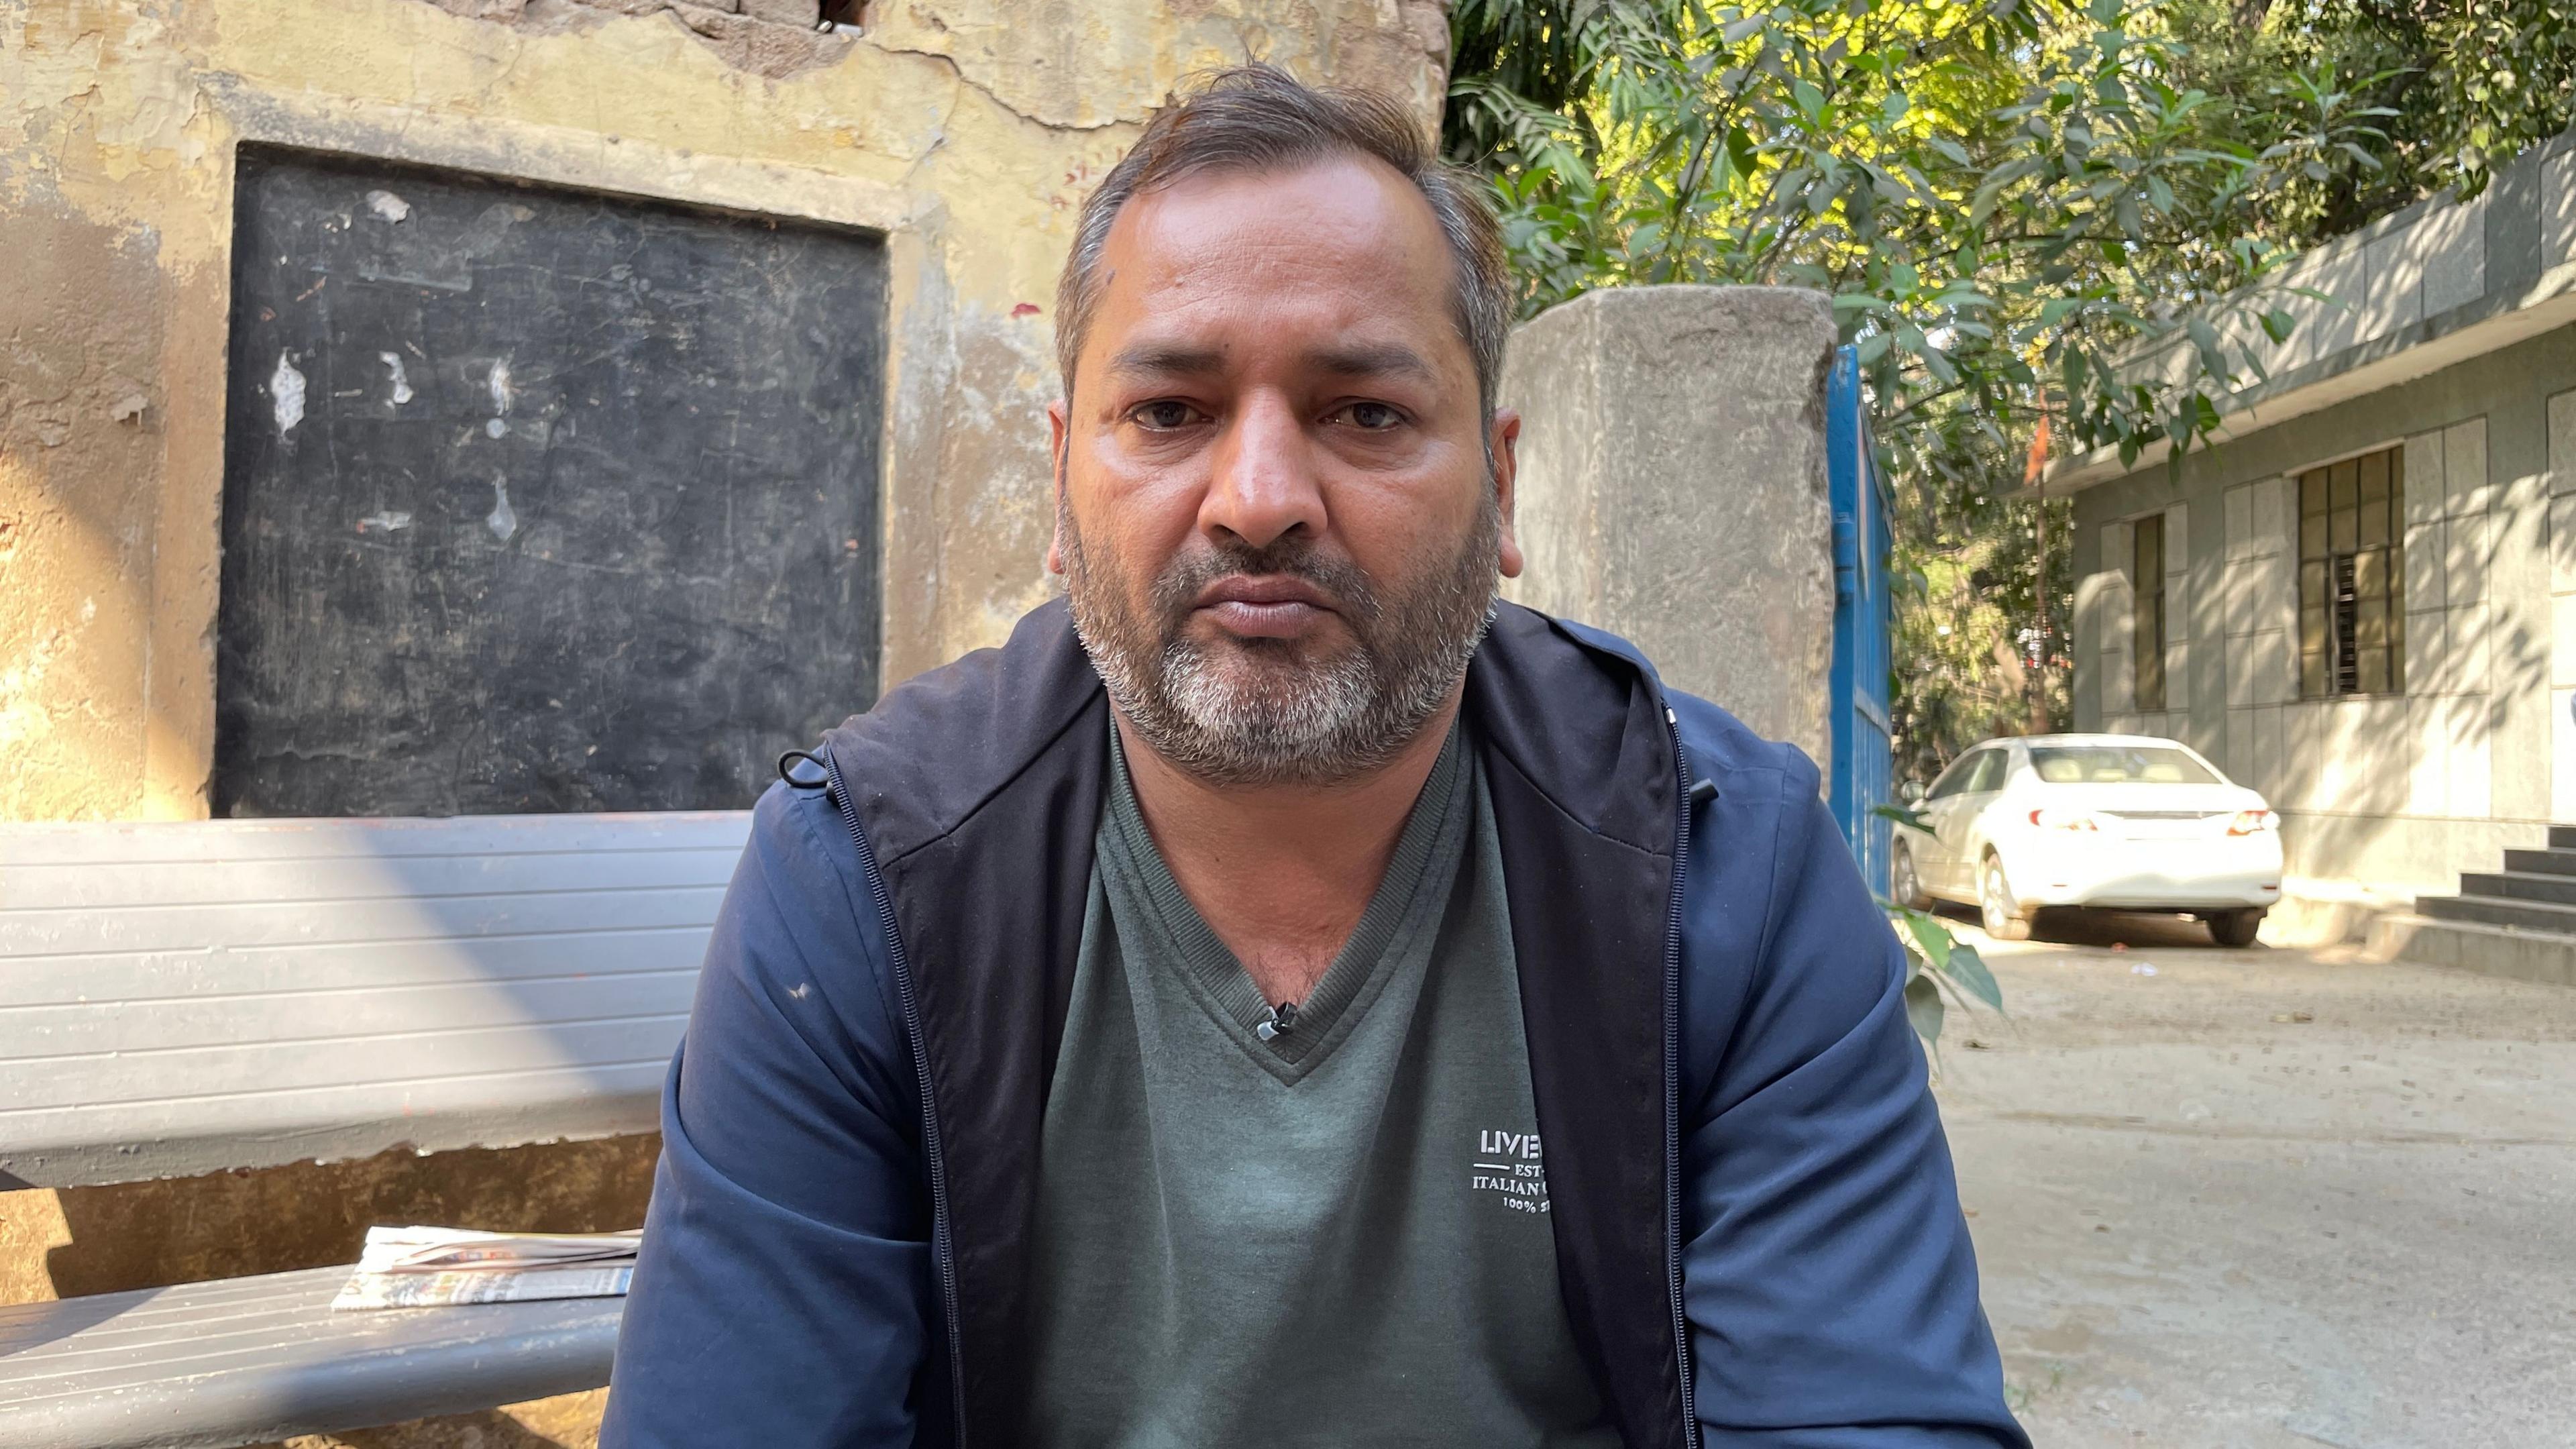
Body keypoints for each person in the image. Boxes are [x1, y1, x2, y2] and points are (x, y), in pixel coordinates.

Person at [603, 65, 2027, 1449]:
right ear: (1059, 483)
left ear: (1504, 485)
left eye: (1365, 413)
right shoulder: (869, 876)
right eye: (1170, 412)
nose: (1264, 501)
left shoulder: (1726, 869)